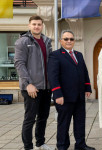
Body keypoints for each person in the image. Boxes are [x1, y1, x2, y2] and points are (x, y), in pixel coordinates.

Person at [47, 30, 95, 150]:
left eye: (71, 39)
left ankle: (80, 145)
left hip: (79, 96)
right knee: (64, 124)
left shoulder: (78, 54)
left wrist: (87, 87)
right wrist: (57, 94)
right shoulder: (55, 55)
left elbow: (84, 71)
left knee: (80, 123)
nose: (69, 41)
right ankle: (62, 146)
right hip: (64, 97)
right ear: (61, 41)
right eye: (66, 39)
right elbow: (53, 76)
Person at [14, 15, 54, 150]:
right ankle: (28, 146)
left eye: (39, 24)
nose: (37, 26)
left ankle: (40, 143)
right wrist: (27, 84)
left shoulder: (47, 41)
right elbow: (19, 63)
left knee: (43, 117)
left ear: (42, 26)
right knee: (30, 119)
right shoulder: (23, 41)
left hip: (46, 87)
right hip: (31, 87)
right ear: (29, 25)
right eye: (34, 24)